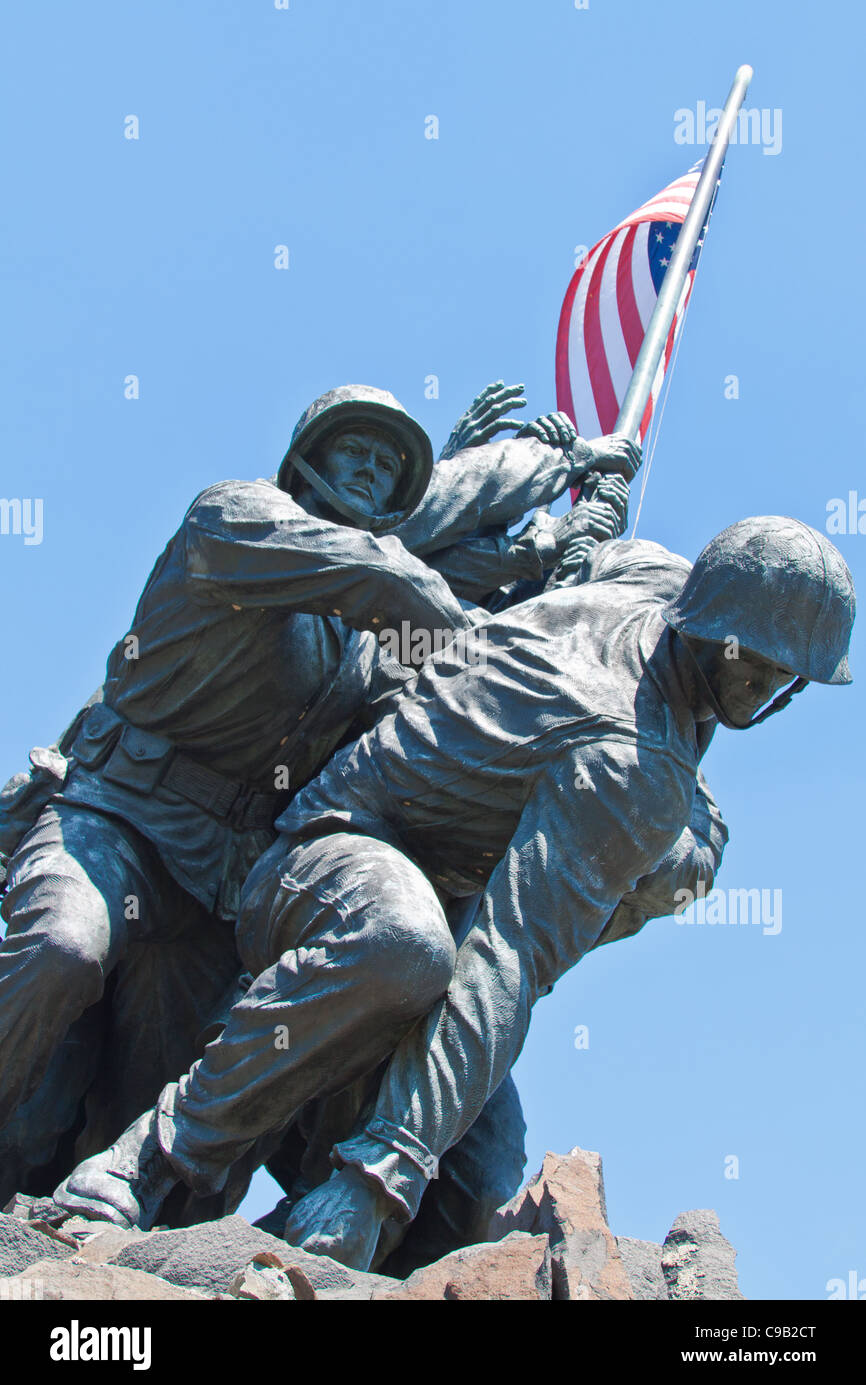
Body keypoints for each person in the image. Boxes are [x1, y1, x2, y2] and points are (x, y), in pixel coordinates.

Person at [56, 515, 854, 1275]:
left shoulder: (655, 578)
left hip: (438, 898)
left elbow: (598, 555)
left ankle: (267, 1260)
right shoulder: (633, 770)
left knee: (476, 1182)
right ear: (711, 627)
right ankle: (147, 1162)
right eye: (760, 662)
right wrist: (383, 1172)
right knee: (400, 946)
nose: (772, 688)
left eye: (790, 675)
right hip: (329, 854)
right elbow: (506, 957)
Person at [0, 380, 637, 1202]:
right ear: (306, 458)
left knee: (138, 1096)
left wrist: (556, 574)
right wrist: (548, 466)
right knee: (64, 946)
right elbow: (384, 577)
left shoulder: (362, 648)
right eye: (356, 451)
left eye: (388, 464)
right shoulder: (236, 518)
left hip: (213, 886)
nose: (372, 471)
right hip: (119, 816)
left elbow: (443, 699)